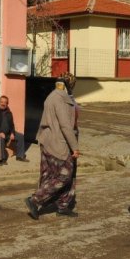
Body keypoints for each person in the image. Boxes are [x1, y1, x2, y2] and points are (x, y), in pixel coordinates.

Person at [24, 73, 79, 220]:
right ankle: (35, 200)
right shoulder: (60, 99)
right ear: (69, 84)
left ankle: (62, 206)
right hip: (59, 142)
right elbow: (65, 126)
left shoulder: (53, 95)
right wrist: (75, 147)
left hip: (47, 141)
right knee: (65, 175)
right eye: (72, 84)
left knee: (49, 174)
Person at [0, 95, 28, 165]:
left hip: (8, 132)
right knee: (1, 138)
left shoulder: (9, 112)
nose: (3, 104)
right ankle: (3, 159)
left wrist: (12, 133)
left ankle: (20, 156)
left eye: (5, 103)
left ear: (7, 104)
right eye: (2, 102)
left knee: (20, 136)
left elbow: (12, 125)